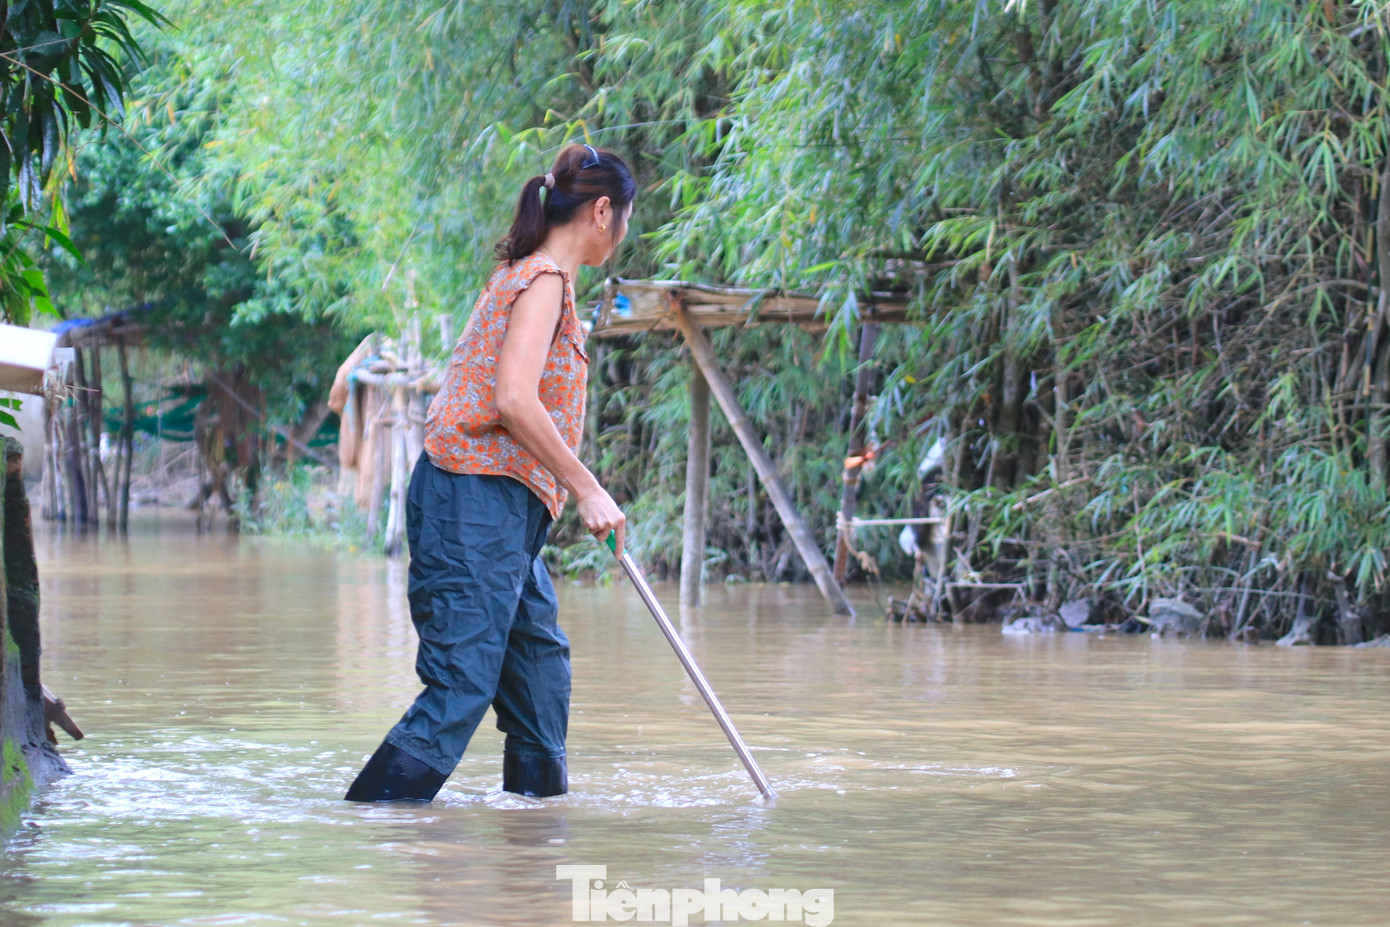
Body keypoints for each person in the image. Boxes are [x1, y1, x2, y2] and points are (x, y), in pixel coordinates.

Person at [345, 143, 634, 802]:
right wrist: (588, 487)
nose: (621, 235)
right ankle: (370, 826)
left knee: (539, 675)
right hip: (472, 498)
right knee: (462, 684)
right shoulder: (541, 282)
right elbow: (512, 398)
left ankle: (533, 848)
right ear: (601, 211)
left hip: (508, 508)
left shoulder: (541, 280)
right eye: (622, 221)